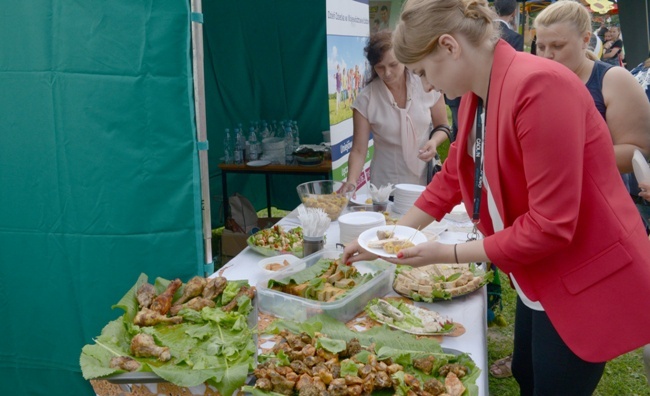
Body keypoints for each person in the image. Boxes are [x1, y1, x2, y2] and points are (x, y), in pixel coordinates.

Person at [343, 0, 650, 395]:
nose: (426, 85)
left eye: (422, 71)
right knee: (527, 372)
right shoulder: (479, 90)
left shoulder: (539, 85)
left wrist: (445, 254)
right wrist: (387, 240)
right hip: (538, 272)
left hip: (582, 276)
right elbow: (453, 175)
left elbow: (549, 227)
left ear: (450, 46)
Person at [488, 0, 650, 379]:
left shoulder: (611, 80)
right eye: (540, 45)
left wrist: (565, 159)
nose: (546, 54)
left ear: (584, 39)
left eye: (557, 46)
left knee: (576, 321)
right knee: (537, 308)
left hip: (595, 222)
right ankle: (531, 360)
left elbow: (639, 149)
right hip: (543, 218)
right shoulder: (533, 78)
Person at [345, 30, 450, 190]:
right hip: (386, 185)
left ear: (404, 58)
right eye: (380, 67)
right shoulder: (366, 100)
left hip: (423, 181)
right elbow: (359, 150)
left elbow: (443, 126)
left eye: (393, 65)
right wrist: (351, 181)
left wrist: (433, 142)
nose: (387, 73)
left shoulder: (426, 84)